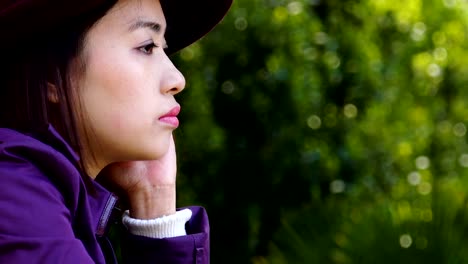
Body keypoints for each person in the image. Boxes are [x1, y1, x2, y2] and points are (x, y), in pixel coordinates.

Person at [0, 0, 232, 263]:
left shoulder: (48, 200)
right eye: (147, 47)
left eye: (164, 49)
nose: (177, 80)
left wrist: (155, 199)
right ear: (51, 75)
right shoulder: (15, 201)